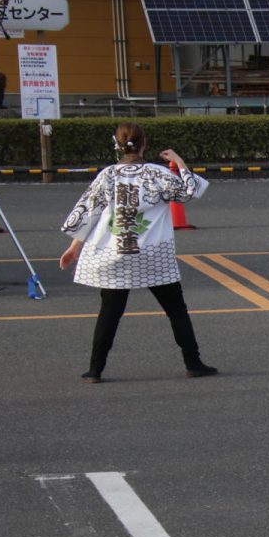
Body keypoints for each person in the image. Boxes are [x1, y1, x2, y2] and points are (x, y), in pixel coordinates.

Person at [60, 122, 215, 383]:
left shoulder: (107, 175)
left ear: (117, 145)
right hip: (153, 254)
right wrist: (177, 160)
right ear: (144, 143)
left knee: (109, 312)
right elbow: (190, 191)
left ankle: (95, 369)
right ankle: (193, 362)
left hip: (115, 254)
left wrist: (75, 246)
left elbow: (88, 211)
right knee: (176, 309)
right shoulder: (158, 173)